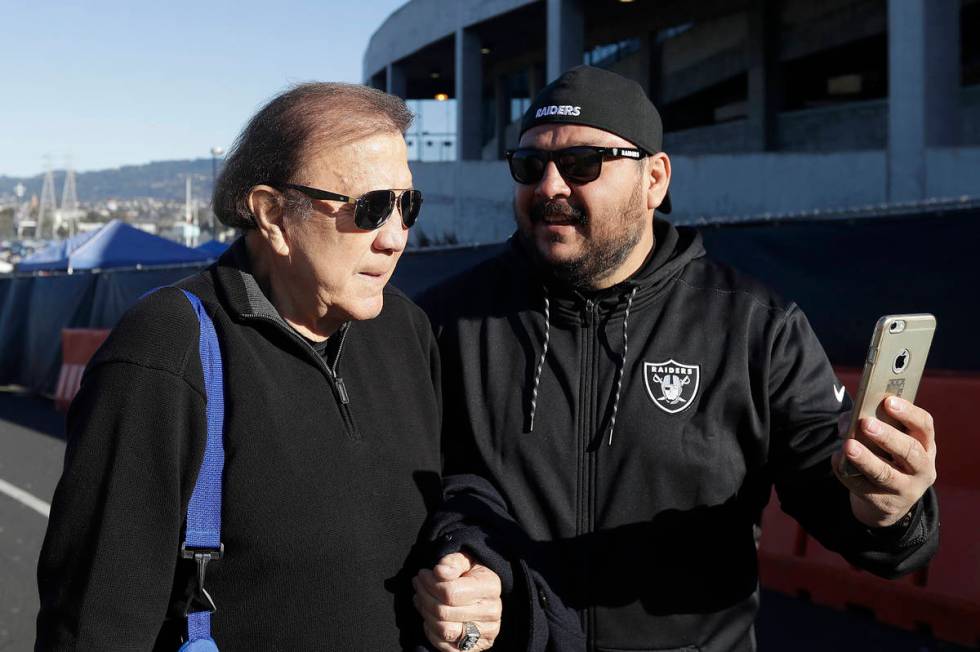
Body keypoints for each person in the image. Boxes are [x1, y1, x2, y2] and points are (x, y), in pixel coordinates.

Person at [416, 66, 939, 651]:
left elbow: (841, 499)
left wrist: (887, 508)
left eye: (584, 164)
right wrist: (455, 566)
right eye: (530, 166)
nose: (550, 188)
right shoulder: (443, 323)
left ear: (654, 180)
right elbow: (411, 492)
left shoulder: (753, 325)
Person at [35, 82, 501, 650]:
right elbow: (94, 622)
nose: (396, 237)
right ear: (273, 214)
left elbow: (457, 498)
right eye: (372, 207)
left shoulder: (407, 328)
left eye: (409, 205)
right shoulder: (166, 347)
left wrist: (470, 575)